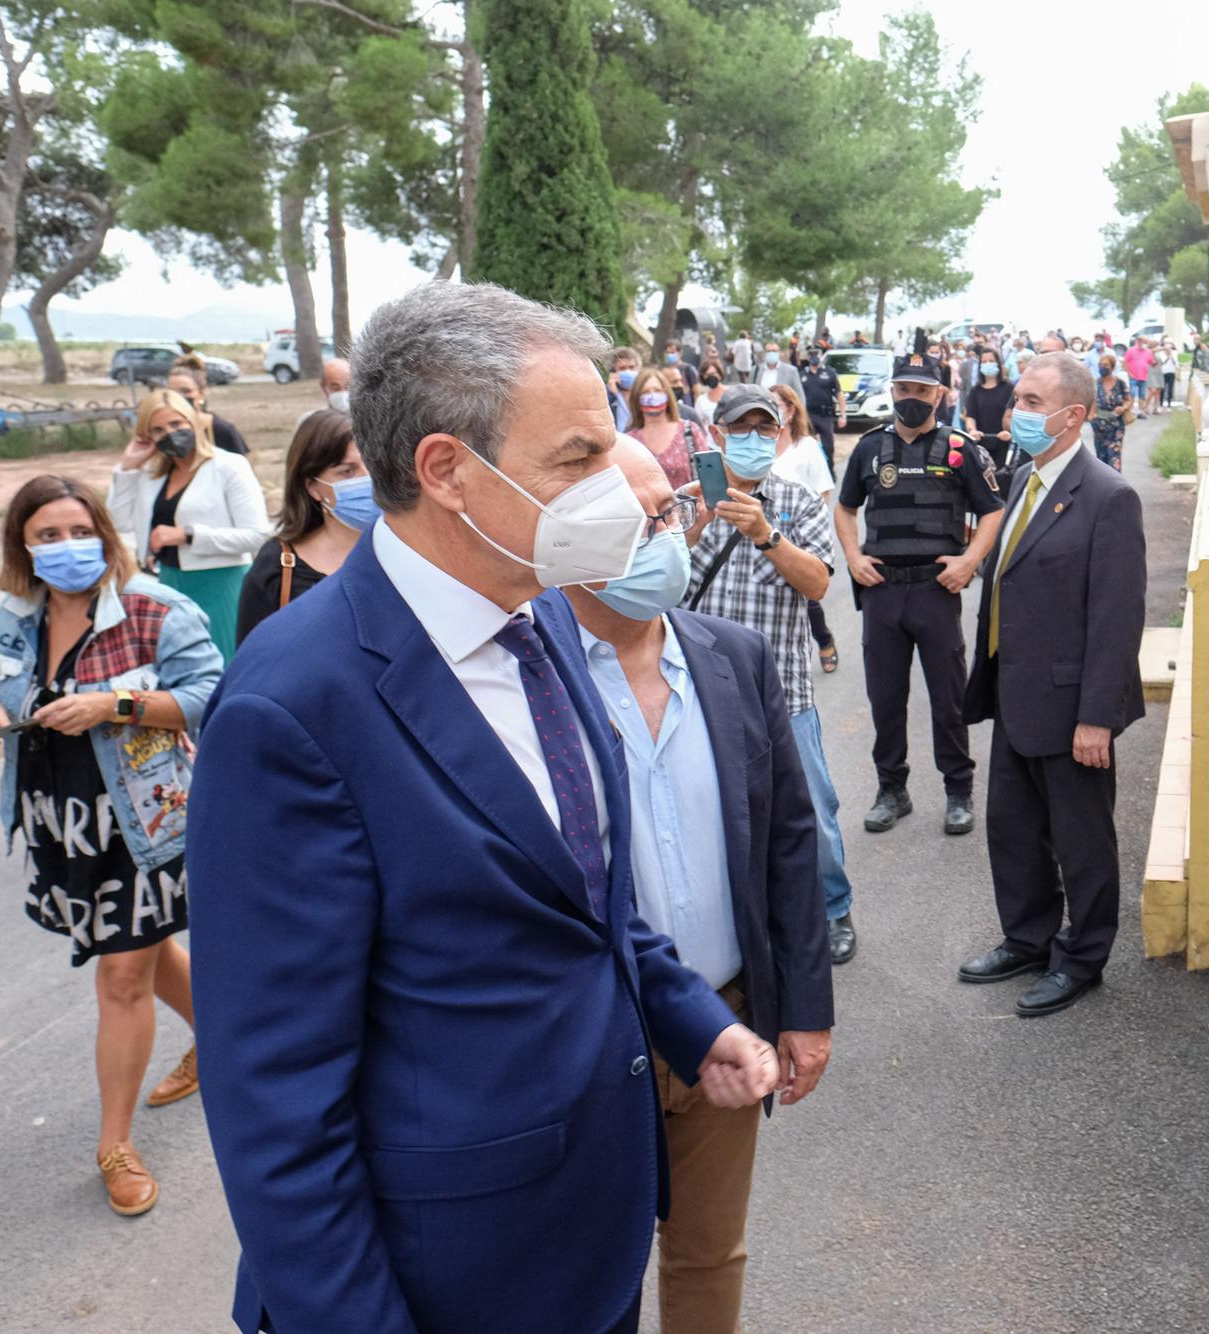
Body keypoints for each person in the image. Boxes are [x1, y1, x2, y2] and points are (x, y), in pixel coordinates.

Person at [185, 281, 779, 1334]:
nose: (625, 485)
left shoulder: (538, 611)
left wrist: (694, 1019)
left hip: (588, 1244)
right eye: (578, 457)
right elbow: (274, 1097)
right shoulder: (294, 704)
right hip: (447, 1279)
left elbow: (582, 889)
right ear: (447, 471)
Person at [556, 437, 833, 1333]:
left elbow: (790, 842)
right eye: (633, 526)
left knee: (710, 1255)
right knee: (592, 1269)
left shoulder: (733, 655)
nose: (664, 538)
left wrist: (803, 1009)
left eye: (666, 512)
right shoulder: (530, 680)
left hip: (727, 1023)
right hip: (598, 1043)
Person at [0, 475, 222, 1216]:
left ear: (105, 532)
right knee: (141, 950)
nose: (66, 546)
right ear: (23, 546)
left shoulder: (153, 608)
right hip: (59, 819)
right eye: (47, 535)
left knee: (120, 977)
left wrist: (117, 704)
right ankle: (221, 1042)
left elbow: (212, 693)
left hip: (143, 824)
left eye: (79, 530)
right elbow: (3, 691)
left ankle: (115, 1145)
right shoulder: (19, 615)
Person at [958, 353, 1146, 1018]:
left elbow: (1117, 618)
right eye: (1018, 400)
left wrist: (1098, 716)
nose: (1018, 413)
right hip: (1016, 693)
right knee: (1013, 829)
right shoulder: (1021, 480)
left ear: (1075, 415)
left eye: (1034, 403)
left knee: (1081, 839)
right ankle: (1028, 938)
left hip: (1073, 708)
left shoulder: (1108, 497)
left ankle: (1082, 957)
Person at [683, 386, 861, 964]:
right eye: (742, 430)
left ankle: (834, 909)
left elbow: (816, 584)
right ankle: (744, 915)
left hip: (783, 686)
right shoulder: (690, 499)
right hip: (701, 689)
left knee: (810, 805)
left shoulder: (799, 502)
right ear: (718, 434)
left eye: (766, 430)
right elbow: (657, 586)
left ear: (781, 434)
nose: (755, 440)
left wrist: (766, 534)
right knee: (715, 807)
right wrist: (691, 524)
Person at [833, 337, 1005, 837]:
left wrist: (970, 561)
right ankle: (892, 789)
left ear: (940, 396)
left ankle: (958, 790)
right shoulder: (869, 448)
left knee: (947, 697)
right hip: (883, 592)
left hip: (936, 591)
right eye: (905, 387)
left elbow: (993, 510)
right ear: (893, 390)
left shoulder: (960, 450)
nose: (913, 397)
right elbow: (845, 508)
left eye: (923, 390)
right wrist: (852, 555)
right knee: (886, 699)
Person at [107, 389, 269, 663]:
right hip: (169, 582)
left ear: (193, 421)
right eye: (158, 430)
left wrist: (188, 536)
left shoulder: (228, 465)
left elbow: (258, 535)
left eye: (176, 424)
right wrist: (127, 468)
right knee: (181, 665)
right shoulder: (151, 474)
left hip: (222, 582)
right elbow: (117, 521)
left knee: (225, 664)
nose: (170, 433)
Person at [235, 409, 368, 645]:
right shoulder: (278, 565)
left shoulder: (412, 549)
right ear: (313, 487)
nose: (367, 479)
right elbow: (254, 663)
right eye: (347, 472)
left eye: (372, 465)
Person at [767, 381, 842, 675]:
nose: (772, 412)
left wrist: (812, 532)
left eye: (777, 406)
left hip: (799, 535)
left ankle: (823, 639)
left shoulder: (806, 446)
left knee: (806, 597)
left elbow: (823, 492)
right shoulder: (758, 445)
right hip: (760, 533)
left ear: (791, 409)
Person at [628, 368, 714, 493]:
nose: (652, 396)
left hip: (689, 509)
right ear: (637, 398)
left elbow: (709, 477)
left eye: (657, 390)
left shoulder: (690, 432)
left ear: (667, 394)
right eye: (645, 392)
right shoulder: (630, 441)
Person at [165, 360, 250, 455]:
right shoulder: (161, 429)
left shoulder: (221, 430)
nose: (178, 397)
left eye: (186, 391)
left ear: (201, 393)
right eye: (172, 392)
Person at [962, 347, 1015, 488]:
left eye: (991, 360)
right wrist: (972, 431)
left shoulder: (1009, 388)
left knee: (1000, 483)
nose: (987, 364)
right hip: (981, 445)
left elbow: (1013, 415)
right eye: (984, 361)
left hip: (1003, 443)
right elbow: (970, 417)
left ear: (998, 363)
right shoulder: (975, 391)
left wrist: (1009, 432)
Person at [800, 348, 846, 470]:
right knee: (805, 445)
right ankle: (809, 471)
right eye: (811, 355)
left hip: (825, 415)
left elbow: (839, 394)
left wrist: (843, 415)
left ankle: (830, 471)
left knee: (828, 447)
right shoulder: (802, 374)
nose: (814, 357)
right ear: (808, 357)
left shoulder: (829, 373)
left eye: (817, 354)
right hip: (808, 415)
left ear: (821, 356)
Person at [1089, 353, 1131, 471]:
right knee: (1101, 456)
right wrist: (1091, 416)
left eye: (1106, 365)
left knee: (1114, 455)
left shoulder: (1120, 383)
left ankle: (1116, 484)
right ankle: (1104, 484)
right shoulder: (1095, 383)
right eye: (1101, 365)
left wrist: (1123, 408)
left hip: (1116, 425)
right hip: (1099, 425)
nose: (1103, 367)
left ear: (1112, 367)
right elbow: (1092, 401)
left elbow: (1128, 400)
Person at [607, 346, 642, 432]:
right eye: (622, 368)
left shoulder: (645, 392)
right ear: (614, 372)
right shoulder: (606, 394)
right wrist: (612, 394)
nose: (628, 371)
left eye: (632, 367)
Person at [1122, 338, 1155, 416]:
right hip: (1133, 376)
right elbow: (1125, 362)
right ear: (1138, 342)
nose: (1145, 344)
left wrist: (1154, 364)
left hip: (1143, 376)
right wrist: (1129, 373)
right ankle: (1131, 409)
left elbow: (1150, 361)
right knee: (1132, 393)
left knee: (1142, 394)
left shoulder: (1148, 352)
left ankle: (1140, 410)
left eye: (1146, 342)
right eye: (1144, 342)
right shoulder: (1131, 351)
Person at [1157, 341, 1179, 412]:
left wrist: (1171, 355)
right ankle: (1161, 404)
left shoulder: (1175, 353)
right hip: (1163, 372)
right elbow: (1163, 362)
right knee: (1162, 389)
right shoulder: (1161, 353)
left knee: (1170, 389)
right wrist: (1167, 355)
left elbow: (1175, 363)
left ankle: (1169, 404)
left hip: (1171, 372)